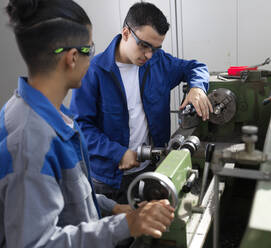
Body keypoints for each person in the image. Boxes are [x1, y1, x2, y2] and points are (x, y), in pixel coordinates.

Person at [0, 0, 174, 247]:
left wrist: (114, 208)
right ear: (72, 58)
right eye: (90, 50)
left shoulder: (53, 116)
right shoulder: (29, 142)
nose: (94, 59)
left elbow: (71, 197)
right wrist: (127, 225)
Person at [70, 2, 213, 204]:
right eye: (144, 45)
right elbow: (81, 128)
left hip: (151, 170)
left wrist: (197, 87)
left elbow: (196, 67)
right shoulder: (93, 72)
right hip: (110, 181)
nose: (149, 55)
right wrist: (118, 153)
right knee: (119, 233)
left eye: (156, 48)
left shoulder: (157, 62)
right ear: (126, 33)